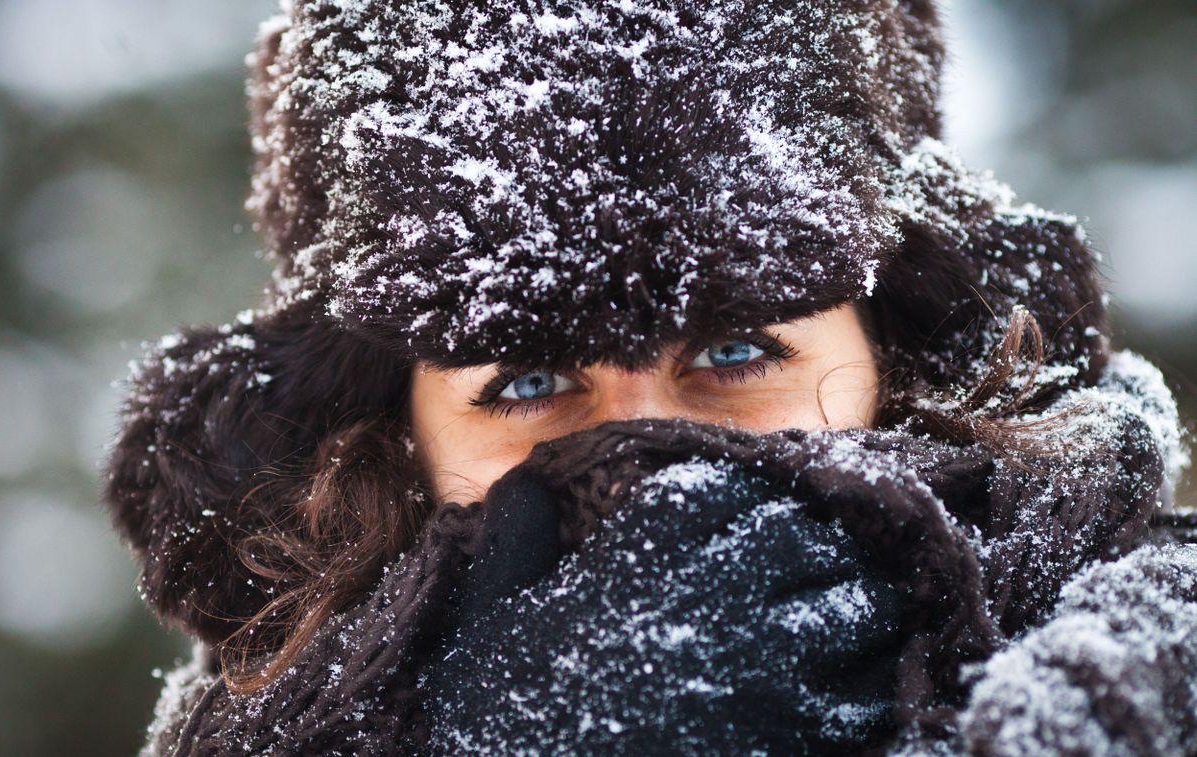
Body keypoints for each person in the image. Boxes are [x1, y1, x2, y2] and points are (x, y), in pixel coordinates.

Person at [102, 0, 1197, 754]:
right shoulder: (263, 723)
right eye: (528, 380)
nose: (649, 468)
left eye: (737, 354)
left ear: (891, 350)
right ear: (392, 431)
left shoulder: (1151, 670)